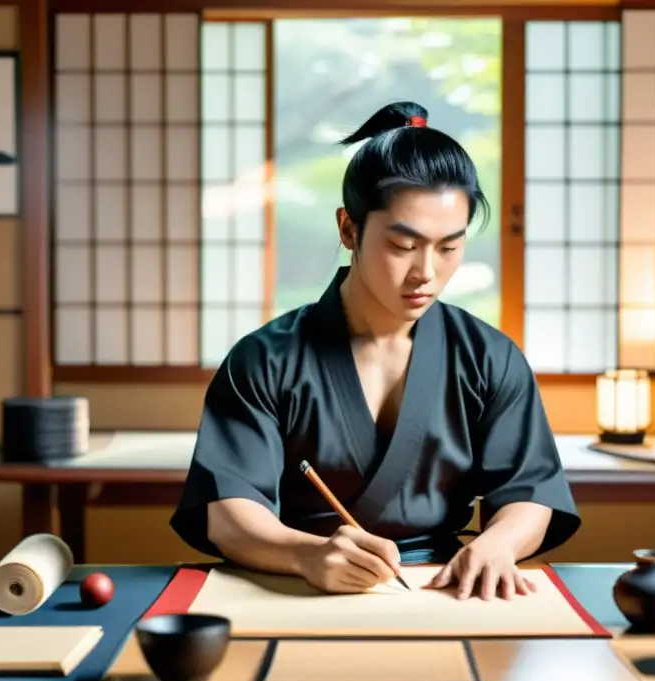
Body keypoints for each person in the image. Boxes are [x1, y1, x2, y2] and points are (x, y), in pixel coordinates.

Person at [171, 101, 580, 601]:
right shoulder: (263, 360)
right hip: (296, 583)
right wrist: (306, 555)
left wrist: (498, 543)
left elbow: (529, 492)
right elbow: (229, 511)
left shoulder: (489, 358)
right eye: (404, 246)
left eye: (449, 247)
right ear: (349, 229)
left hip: (442, 590)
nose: (426, 272)